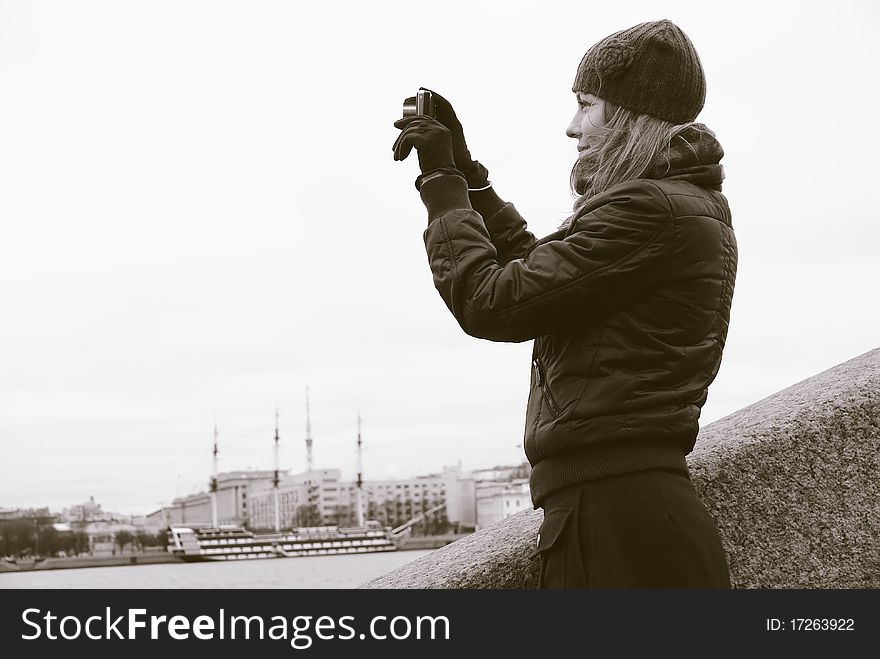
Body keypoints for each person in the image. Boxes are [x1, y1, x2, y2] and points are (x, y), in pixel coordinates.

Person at [392, 19, 737, 588]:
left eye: (586, 105)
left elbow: (493, 300)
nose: (572, 127)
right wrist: (471, 175)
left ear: (628, 114)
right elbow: (545, 277)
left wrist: (443, 185)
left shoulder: (652, 210)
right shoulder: (672, 205)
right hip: (624, 511)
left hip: (617, 520)